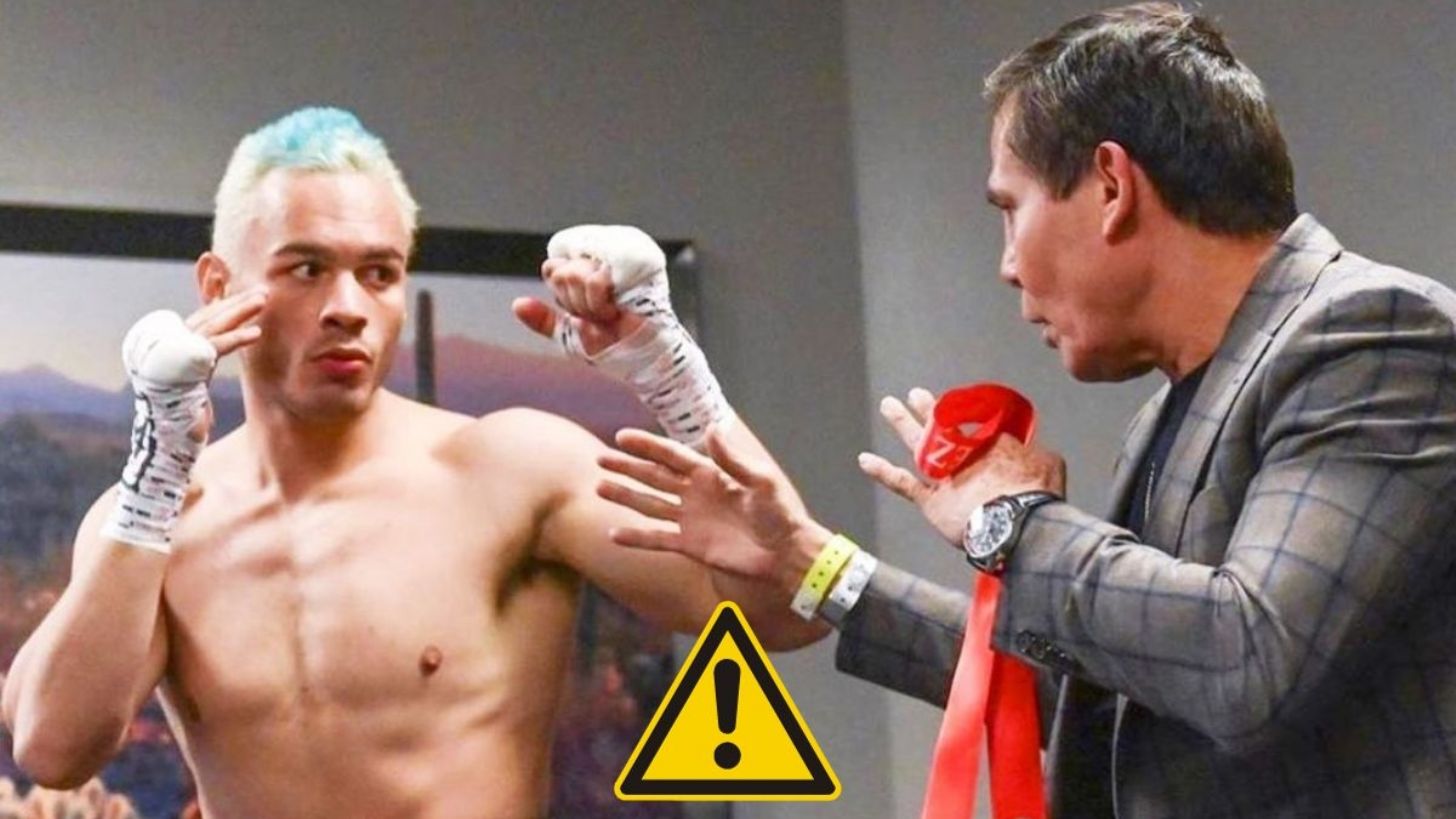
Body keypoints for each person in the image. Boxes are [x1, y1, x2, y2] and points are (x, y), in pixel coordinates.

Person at [588, 4, 1456, 816]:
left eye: (1010, 210)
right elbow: (1110, 705)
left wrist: (1016, 524)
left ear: (1111, 185)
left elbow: (1245, 658)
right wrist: (816, 565)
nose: (1007, 265)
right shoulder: (1170, 410)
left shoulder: (1372, 333)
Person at [0, 107, 822, 819]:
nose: (348, 308)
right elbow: (53, 748)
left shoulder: (509, 469)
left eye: (379, 273)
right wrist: (153, 480)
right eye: (307, 268)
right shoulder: (154, 523)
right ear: (217, 286)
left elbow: (791, 610)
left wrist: (678, 384)